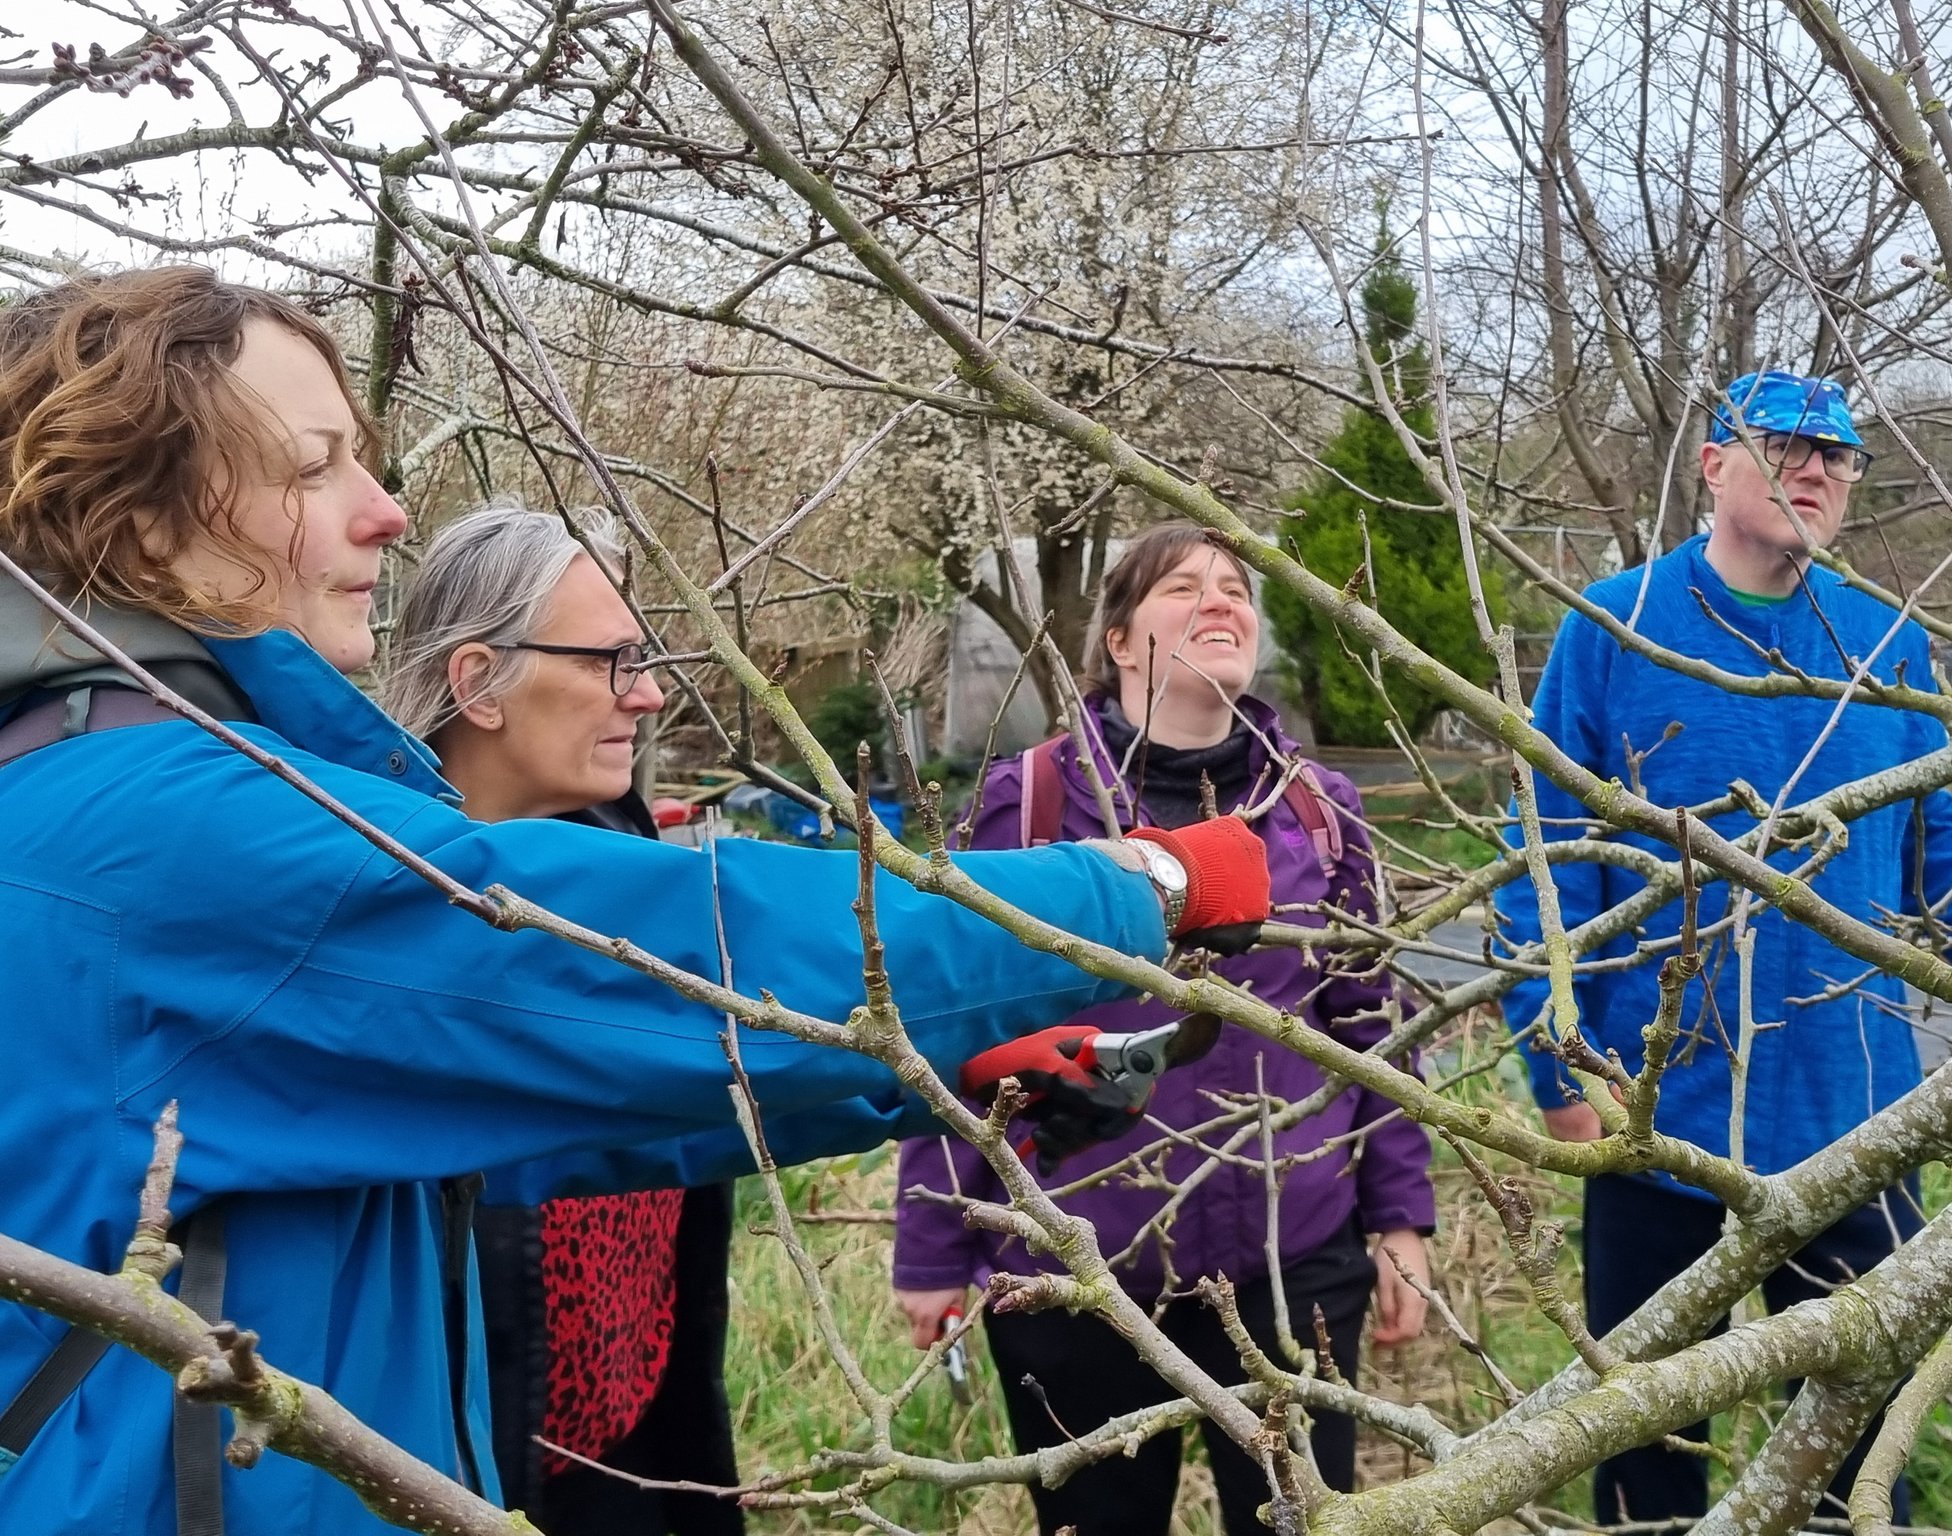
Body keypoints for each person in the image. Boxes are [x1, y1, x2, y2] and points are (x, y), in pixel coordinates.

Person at [0, 266, 1274, 1536]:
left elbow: (494, 1142)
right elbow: (672, 951)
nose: (384, 512)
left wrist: (892, 1077)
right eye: (311, 465)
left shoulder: (88, 793)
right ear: (140, 517)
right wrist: (1139, 883)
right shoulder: (163, 830)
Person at [1497, 370, 1952, 1526]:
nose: (1815, 468)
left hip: (1854, 1120)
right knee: (1643, 1453)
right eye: (1786, 444)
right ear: (1711, 464)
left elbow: (1926, 828)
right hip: (1656, 1127)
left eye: (1837, 457)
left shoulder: (1878, 639)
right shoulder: (1611, 629)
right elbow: (1544, 863)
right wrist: (1559, 1077)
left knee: (1854, 1455)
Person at [891, 523, 1436, 1536]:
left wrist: (1398, 1218)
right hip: (1078, 1265)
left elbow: (1371, 1024)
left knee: (1302, 1522)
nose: (1222, 600)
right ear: (1120, 640)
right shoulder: (1023, 806)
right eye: (1183, 587)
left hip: (1294, 1253)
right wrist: (932, 1246)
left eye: (1235, 587)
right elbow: (948, 1041)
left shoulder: (1321, 809)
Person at [382, 504, 739, 1536]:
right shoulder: (386, 926)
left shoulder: (634, 900)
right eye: (609, 659)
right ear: (476, 682)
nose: (650, 690)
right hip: (465, 1485)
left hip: (637, 1469)